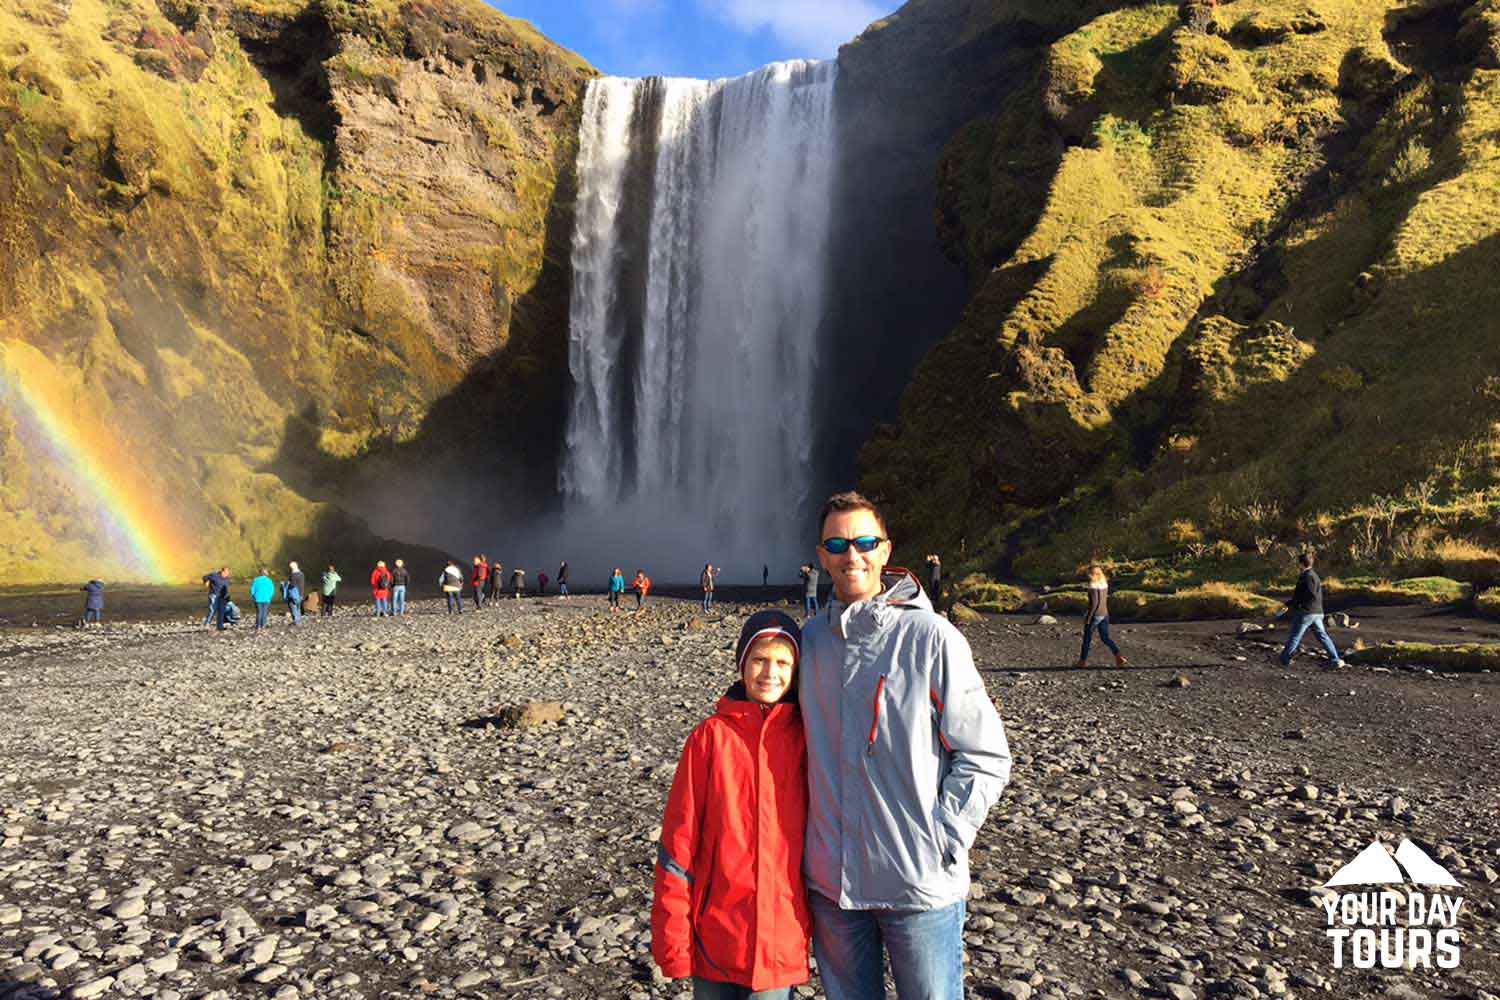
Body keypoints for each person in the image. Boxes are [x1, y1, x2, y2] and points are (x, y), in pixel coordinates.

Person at [801, 491, 1011, 1000]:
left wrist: (944, 837)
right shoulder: (808, 643)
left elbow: (985, 754)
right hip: (833, 885)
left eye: (865, 541)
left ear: (885, 550)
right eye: (838, 543)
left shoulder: (932, 637)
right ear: (822, 554)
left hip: (916, 882)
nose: (853, 554)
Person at [652, 610, 810, 999]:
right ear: (742, 664)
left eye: (782, 662)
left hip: (780, 942)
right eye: (758, 659)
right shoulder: (709, 738)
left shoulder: (808, 739)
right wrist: (674, 942)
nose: (769, 672)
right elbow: (678, 843)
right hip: (715, 938)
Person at [1279, 550, 1345, 669]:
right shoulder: (1314, 575)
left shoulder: (1307, 576)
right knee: (1323, 636)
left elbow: (1308, 595)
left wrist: (1294, 604)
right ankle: (1335, 659)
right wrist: (1290, 604)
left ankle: (1284, 659)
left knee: (1295, 636)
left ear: (1301, 564)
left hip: (1306, 612)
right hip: (1317, 612)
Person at [1077, 564, 1126, 668]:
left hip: (1095, 616)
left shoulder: (1093, 585)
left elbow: (1094, 604)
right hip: (1104, 614)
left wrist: (1088, 619)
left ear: (1092, 574)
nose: (1087, 575)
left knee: (1087, 639)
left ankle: (1082, 662)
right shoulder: (1104, 583)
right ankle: (1119, 657)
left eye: (1089, 573)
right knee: (1105, 638)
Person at [206, 567, 232, 631]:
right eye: (226, 572)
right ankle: (207, 625)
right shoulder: (215, 575)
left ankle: (219, 627)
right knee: (212, 610)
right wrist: (206, 582)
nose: (228, 574)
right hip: (214, 595)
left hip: (223, 597)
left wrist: (228, 597)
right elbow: (205, 577)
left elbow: (227, 588)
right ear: (222, 572)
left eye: (228, 572)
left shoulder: (227, 578)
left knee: (222, 611)